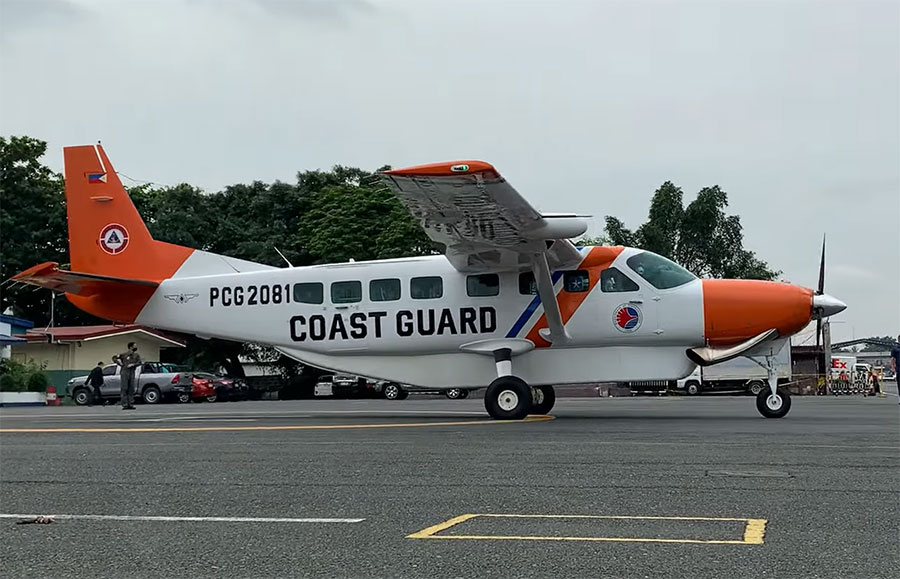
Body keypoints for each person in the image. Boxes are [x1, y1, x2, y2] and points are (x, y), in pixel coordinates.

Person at [113, 342, 141, 410]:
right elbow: (114, 358)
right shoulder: (124, 354)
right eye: (134, 346)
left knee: (131, 388)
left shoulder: (136, 355)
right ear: (130, 347)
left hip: (132, 372)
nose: (136, 347)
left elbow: (139, 362)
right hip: (125, 372)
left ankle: (130, 404)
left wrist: (133, 364)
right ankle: (125, 404)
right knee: (124, 388)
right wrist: (120, 363)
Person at [891, 335, 900, 405]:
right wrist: (893, 368)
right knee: (899, 384)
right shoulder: (895, 349)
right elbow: (893, 359)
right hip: (899, 368)